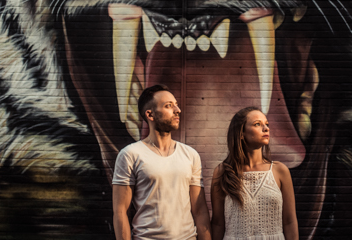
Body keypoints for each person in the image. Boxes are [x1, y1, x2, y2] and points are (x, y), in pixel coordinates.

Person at [112, 84, 212, 240]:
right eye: (168, 106)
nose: (177, 110)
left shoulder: (191, 155)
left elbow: (200, 210)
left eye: (176, 105)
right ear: (150, 115)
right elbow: (120, 212)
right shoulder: (130, 155)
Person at [210, 106, 298, 240]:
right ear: (241, 133)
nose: (266, 128)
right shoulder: (222, 171)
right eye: (257, 124)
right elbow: (217, 223)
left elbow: (289, 221)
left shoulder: (280, 171)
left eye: (267, 124)